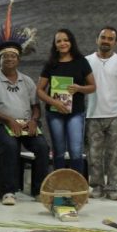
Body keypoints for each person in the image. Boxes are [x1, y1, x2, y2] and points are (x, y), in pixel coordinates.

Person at [0, 40, 50, 206]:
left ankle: (38, 190)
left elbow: (36, 107)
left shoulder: (27, 81)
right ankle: (8, 191)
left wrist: (34, 120)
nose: (9, 59)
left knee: (42, 147)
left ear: (18, 60)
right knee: (10, 145)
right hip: (0, 124)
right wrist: (8, 120)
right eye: (5, 56)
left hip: (26, 124)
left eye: (13, 56)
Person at [36, 28, 95, 172]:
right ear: (55, 45)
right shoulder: (50, 64)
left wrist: (79, 88)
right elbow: (39, 90)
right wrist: (54, 102)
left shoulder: (81, 62)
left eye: (66, 40)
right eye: (59, 41)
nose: (62, 43)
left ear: (71, 42)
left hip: (75, 112)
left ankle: (76, 186)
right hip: (55, 112)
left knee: (76, 150)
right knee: (59, 150)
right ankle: (59, 184)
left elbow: (93, 87)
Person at [85, 26, 117, 200]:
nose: (106, 41)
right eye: (103, 37)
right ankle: (97, 187)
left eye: (110, 38)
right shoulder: (87, 61)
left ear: (115, 42)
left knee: (116, 154)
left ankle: (113, 188)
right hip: (92, 114)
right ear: (97, 39)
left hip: (116, 115)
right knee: (94, 154)